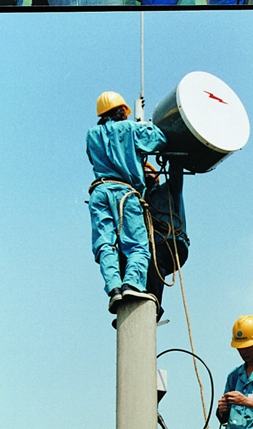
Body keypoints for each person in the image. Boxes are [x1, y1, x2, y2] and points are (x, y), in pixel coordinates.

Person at [86, 91, 167, 313]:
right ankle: (132, 283)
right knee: (137, 245)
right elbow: (159, 139)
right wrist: (144, 126)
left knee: (105, 244)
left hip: (99, 192)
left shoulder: (91, 135)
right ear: (122, 111)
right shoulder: (129, 129)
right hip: (126, 193)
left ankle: (113, 288)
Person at [144, 161, 189, 318]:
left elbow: (176, 169)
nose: (145, 173)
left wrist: (172, 150)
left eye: (148, 170)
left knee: (154, 258)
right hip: (154, 247)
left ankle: (154, 304)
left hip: (173, 243)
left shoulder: (170, 189)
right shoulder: (140, 201)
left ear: (157, 176)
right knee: (142, 260)